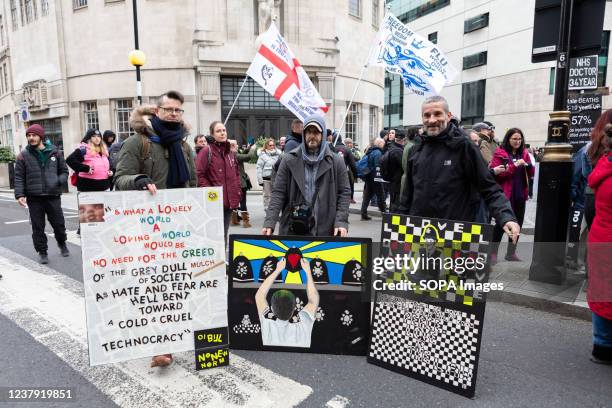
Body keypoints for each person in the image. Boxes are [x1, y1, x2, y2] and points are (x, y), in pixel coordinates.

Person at [113, 90, 197, 368]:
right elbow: (119, 179)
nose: (174, 114)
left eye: (178, 111)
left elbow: (193, 185)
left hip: (178, 228)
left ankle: (171, 342)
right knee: (153, 290)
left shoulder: (184, 146)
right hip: (146, 229)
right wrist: (138, 180)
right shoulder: (138, 142)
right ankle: (159, 347)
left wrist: (196, 213)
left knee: (176, 287)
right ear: (156, 111)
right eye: (169, 109)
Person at [399, 96, 519, 241]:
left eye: (437, 114)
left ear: (448, 116)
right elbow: (407, 195)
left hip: (455, 234)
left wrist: (506, 216)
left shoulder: (464, 146)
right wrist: (399, 228)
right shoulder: (416, 150)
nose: (431, 120)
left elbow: (488, 186)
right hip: (420, 233)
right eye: (427, 115)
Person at [262, 114, 350, 237]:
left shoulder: (336, 161)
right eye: (308, 132)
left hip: (325, 229)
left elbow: (344, 193)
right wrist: (269, 222)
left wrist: (341, 221)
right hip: (294, 228)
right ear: (303, 134)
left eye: (316, 132)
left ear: (323, 134)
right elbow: (278, 192)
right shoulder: (288, 160)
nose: (312, 136)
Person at [14, 124, 70, 264]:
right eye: (28, 135)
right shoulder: (23, 156)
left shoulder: (55, 153)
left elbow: (64, 171)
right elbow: (19, 177)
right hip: (34, 198)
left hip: (53, 196)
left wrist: (59, 180)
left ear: (41, 136)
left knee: (59, 224)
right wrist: (19, 194)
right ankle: (42, 251)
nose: (31, 138)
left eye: (34, 135)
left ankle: (62, 243)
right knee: (38, 227)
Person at [586, 123, 612, 365]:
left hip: (601, 237)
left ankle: (603, 343)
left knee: (603, 290)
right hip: (606, 237)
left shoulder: (603, 165)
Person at [489, 128, 535, 262]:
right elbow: (500, 174)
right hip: (505, 194)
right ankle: (493, 253)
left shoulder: (524, 153)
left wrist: (529, 166)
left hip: (520, 193)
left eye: (519, 139)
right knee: (500, 225)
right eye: (514, 139)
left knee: (518, 223)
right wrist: (514, 165)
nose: (517, 141)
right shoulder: (500, 153)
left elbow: (530, 174)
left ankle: (511, 253)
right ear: (508, 139)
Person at [255, 257, 319, 348]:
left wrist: (277, 270)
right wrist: (308, 271)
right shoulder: (304, 324)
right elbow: (313, 300)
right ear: (294, 309)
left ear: (272, 309)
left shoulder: (267, 324)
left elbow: (259, 296)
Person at [196, 121, 242, 241]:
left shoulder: (230, 152)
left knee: (223, 234)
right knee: (213, 235)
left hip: (228, 202)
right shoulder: (207, 151)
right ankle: (214, 259)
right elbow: (199, 174)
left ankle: (221, 259)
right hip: (213, 201)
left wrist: (237, 192)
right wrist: (211, 192)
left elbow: (236, 174)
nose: (222, 133)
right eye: (218, 131)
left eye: (224, 130)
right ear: (212, 134)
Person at [67, 129, 113, 193]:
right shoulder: (84, 149)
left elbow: (109, 164)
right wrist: (86, 168)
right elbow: (69, 160)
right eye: (94, 136)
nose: (97, 139)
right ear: (89, 138)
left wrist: (110, 171)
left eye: (99, 136)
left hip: (105, 186)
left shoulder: (104, 150)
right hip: (88, 187)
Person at [232, 140, 256, 228]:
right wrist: (253, 149)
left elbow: (242, 154)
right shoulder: (235, 155)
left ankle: (234, 220)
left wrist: (248, 148)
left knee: (234, 202)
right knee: (243, 202)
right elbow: (248, 157)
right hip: (240, 182)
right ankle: (246, 222)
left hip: (233, 183)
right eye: (236, 144)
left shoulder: (230, 154)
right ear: (233, 146)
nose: (238, 145)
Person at [360, 137, 386, 220]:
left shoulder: (370, 151)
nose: (384, 145)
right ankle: (385, 215)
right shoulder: (378, 153)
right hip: (375, 178)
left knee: (367, 196)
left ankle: (363, 214)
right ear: (379, 144)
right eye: (383, 143)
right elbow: (378, 166)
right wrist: (379, 177)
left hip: (368, 177)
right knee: (381, 196)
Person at [381, 130, 406, 212]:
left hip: (393, 181)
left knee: (393, 203)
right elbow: (404, 167)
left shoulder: (391, 148)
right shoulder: (398, 151)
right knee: (396, 206)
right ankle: (393, 223)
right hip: (397, 182)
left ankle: (392, 222)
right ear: (404, 139)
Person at [257, 138, 281, 208]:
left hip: (276, 179)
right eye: (270, 145)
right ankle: (267, 211)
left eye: (273, 145)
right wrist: (260, 180)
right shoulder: (262, 155)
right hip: (266, 179)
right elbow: (259, 168)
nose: (272, 147)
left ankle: (275, 211)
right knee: (267, 196)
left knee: (276, 196)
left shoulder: (279, 155)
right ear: (266, 146)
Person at [333, 133, 358, 204]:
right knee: (346, 187)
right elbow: (352, 164)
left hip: (333, 173)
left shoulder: (332, 148)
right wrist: (356, 174)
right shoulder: (346, 149)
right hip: (343, 172)